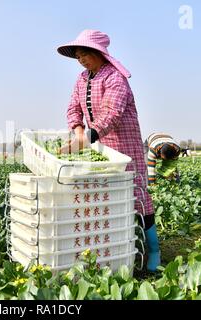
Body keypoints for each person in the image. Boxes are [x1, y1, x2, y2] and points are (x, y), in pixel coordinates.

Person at [57, 30, 160, 272]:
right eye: (78, 56)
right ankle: (116, 248)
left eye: (85, 54)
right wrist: (79, 130)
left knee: (137, 195)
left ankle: (154, 249)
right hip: (99, 148)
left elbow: (111, 114)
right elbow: (73, 107)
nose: (81, 59)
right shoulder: (82, 79)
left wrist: (87, 138)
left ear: (99, 53)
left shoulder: (115, 78)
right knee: (107, 196)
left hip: (124, 145)